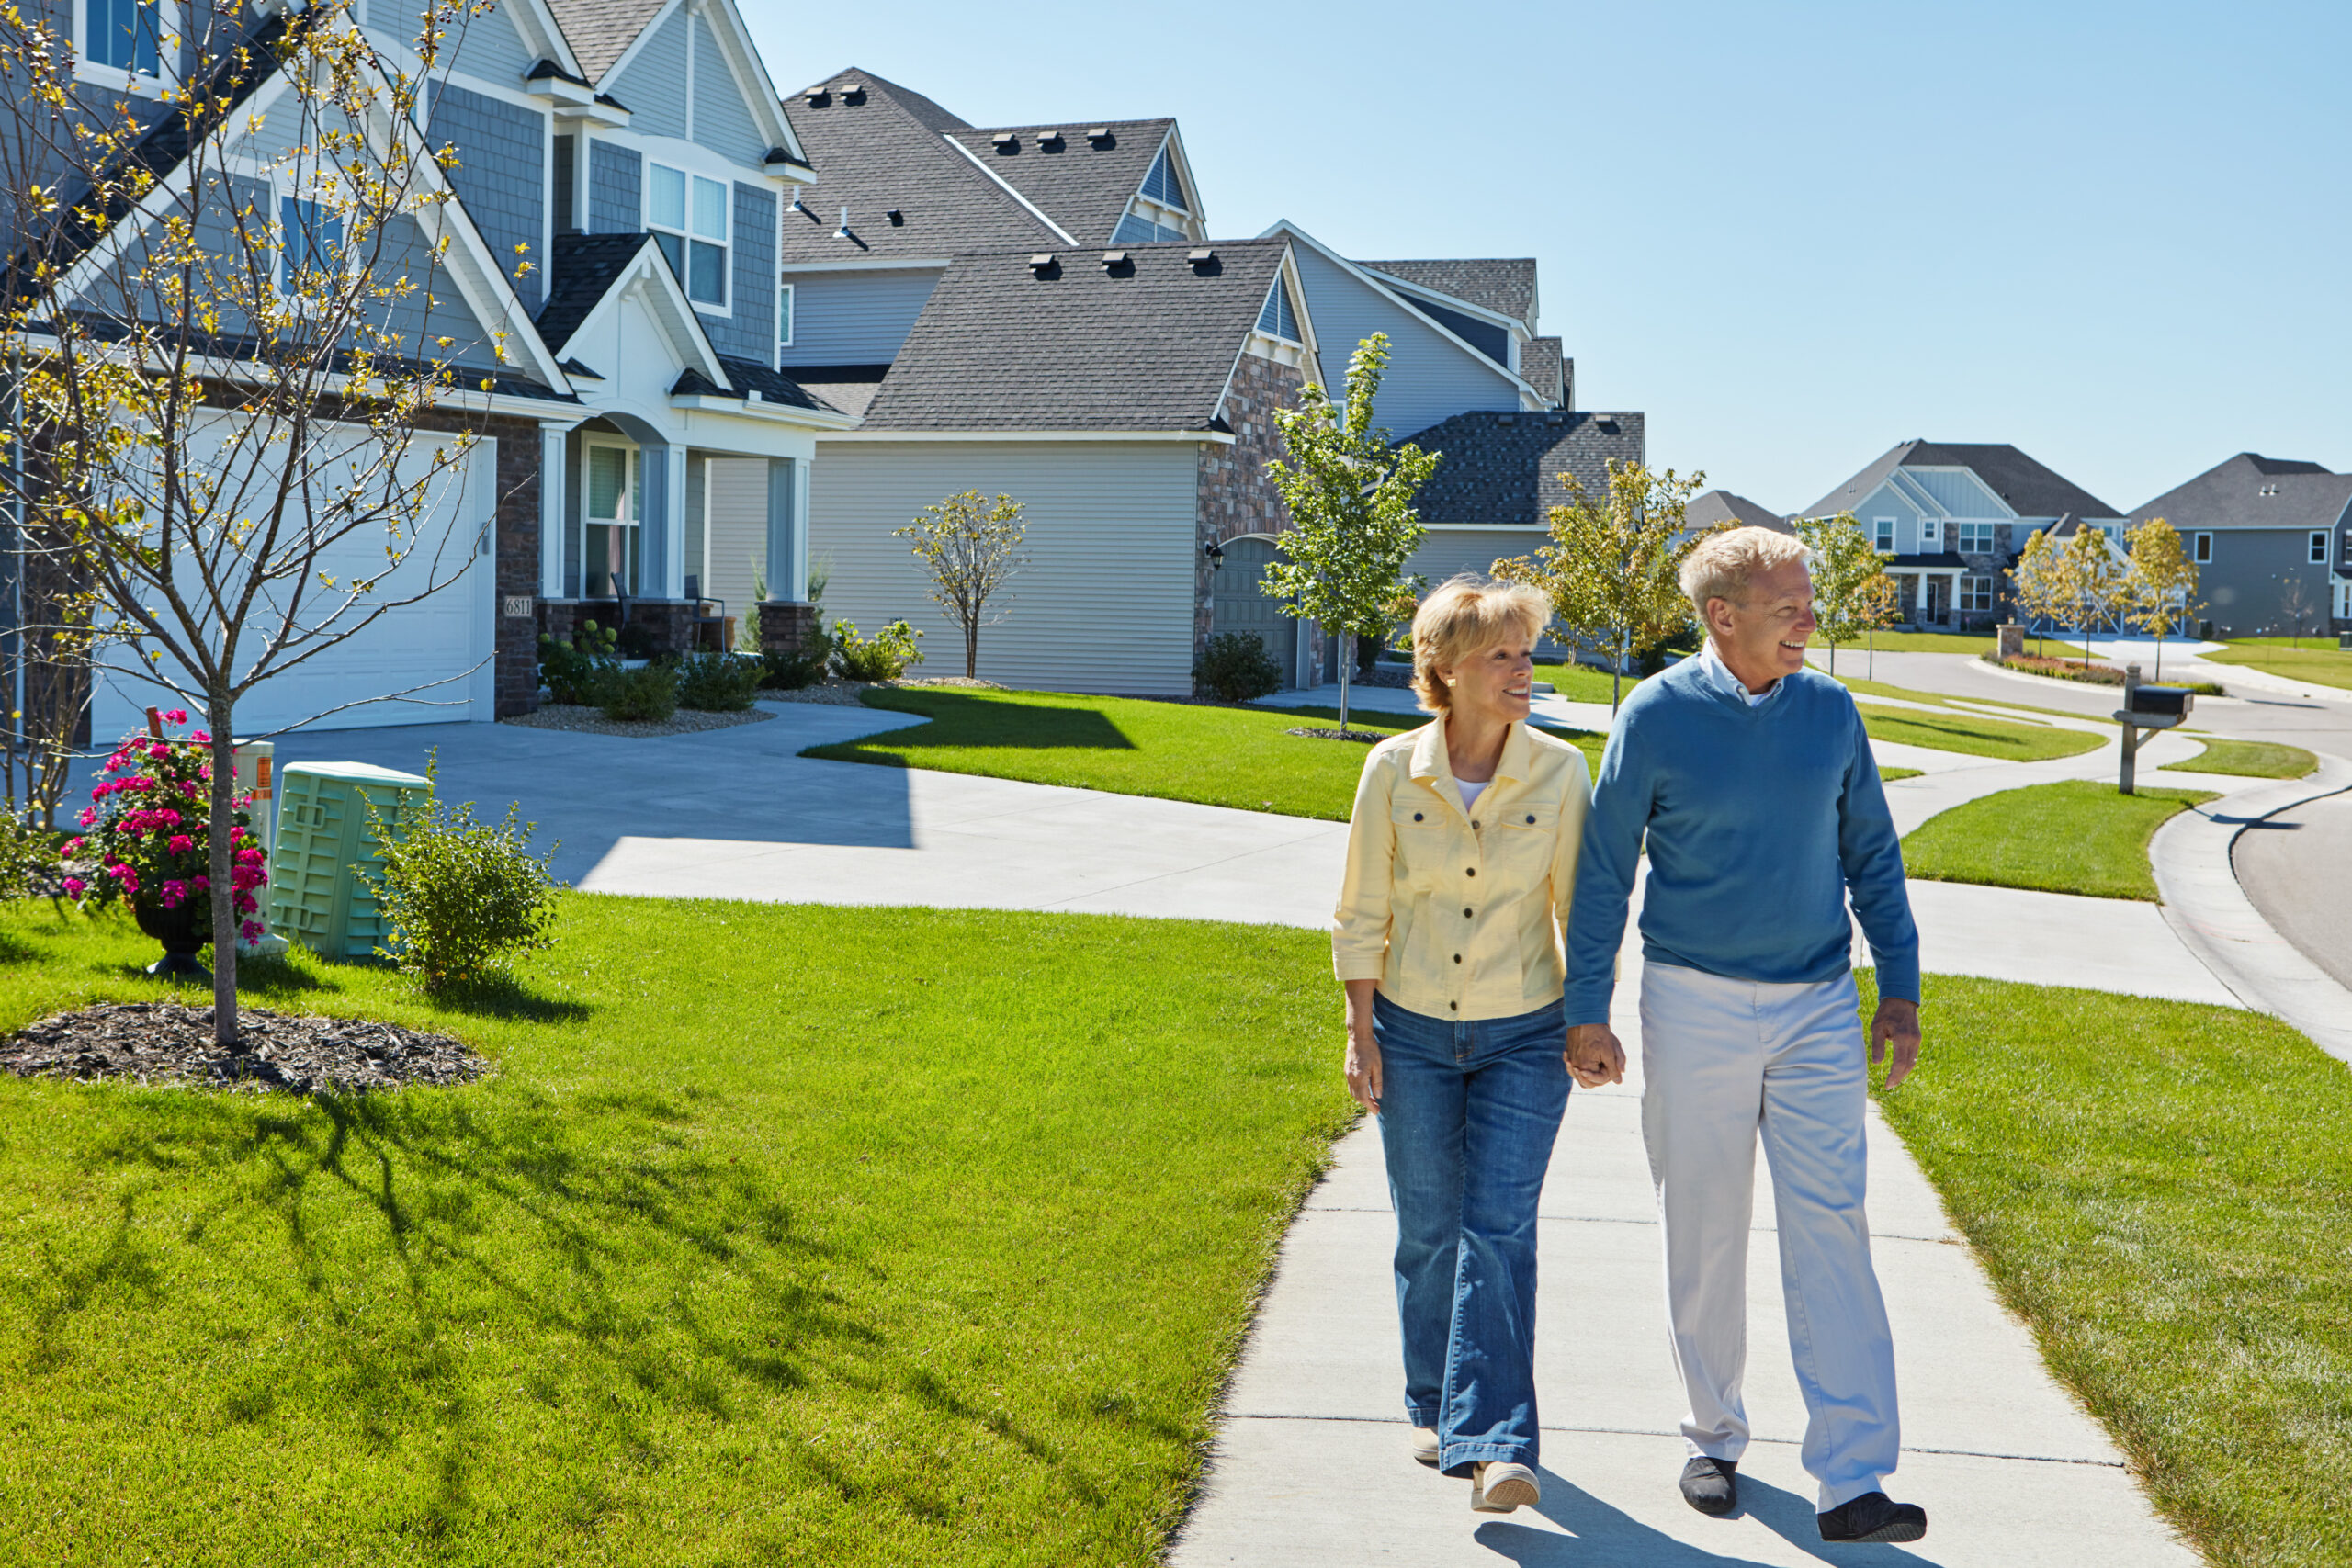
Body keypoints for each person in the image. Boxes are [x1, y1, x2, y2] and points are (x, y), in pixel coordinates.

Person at [1560, 526, 1929, 1546]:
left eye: (1808, 600)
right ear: (1722, 616)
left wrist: (1898, 986)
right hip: (1692, 1001)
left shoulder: (1830, 710)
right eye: (1787, 605)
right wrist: (1586, 1008)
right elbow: (1605, 870)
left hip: (1816, 1003)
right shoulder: (1655, 714)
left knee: (1833, 1226)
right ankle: (1712, 1438)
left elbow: (1873, 855)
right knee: (1705, 1223)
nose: (1809, 619)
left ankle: (1851, 1477)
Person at [1331, 573, 1606, 1516]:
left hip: (1524, 1031)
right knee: (1428, 1232)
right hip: (1408, 1030)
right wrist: (1359, 1031)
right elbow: (1360, 908)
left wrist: (1589, 1017)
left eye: (1527, 652)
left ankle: (1497, 1446)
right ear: (1444, 668)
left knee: (1498, 1229)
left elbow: (1580, 909)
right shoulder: (1390, 770)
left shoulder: (1560, 772)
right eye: (1501, 655)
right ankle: (1432, 1399)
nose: (1523, 669)